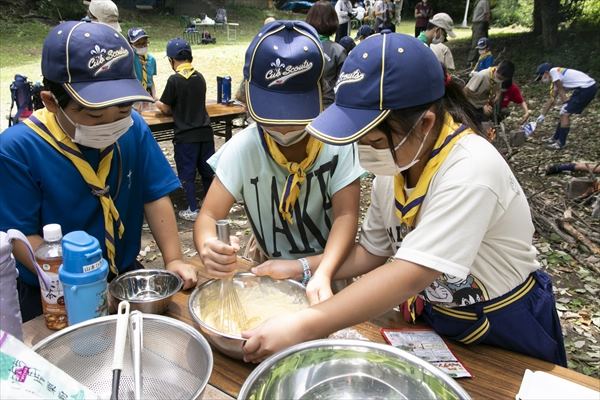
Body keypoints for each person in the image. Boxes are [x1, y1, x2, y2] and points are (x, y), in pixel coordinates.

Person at [241, 32, 567, 368]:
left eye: (373, 140)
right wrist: (303, 268)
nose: (363, 152)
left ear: (425, 123)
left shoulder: (472, 169)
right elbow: (372, 252)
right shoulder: (394, 170)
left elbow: (411, 274)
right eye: (358, 141)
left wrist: (304, 323)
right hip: (440, 318)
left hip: (507, 322)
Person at [0, 21, 198, 322]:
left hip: (124, 279)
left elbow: (154, 194)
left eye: (122, 109)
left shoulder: (134, 130)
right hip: (53, 293)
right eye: (94, 114)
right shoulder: (17, 149)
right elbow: (22, 237)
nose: (111, 125)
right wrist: (76, 283)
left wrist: (173, 259)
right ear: (52, 102)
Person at [194, 20, 363, 306]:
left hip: (330, 273)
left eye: (295, 118)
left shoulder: (338, 144)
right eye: (271, 118)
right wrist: (209, 246)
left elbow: (346, 216)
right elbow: (208, 217)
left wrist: (321, 271)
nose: (284, 129)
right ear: (248, 97)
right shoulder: (243, 149)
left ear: (319, 95)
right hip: (267, 276)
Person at [156, 39, 214, 222]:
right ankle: (212, 206)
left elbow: (165, 107)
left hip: (186, 136)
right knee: (206, 172)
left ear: (172, 60)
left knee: (187, 174)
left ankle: (192, 208)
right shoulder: (200, 77)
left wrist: (155, 101)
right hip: (205, 133)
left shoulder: (174, 80)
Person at [535, 63, 597, 150]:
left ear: (546, 72)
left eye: (542, 77)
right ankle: (555, 138)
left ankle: (561, 143)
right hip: (584, 88)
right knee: (563, 112)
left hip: (587, 88)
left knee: (565, 113)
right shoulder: (557, 78)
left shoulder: (553, 71)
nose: (542, 80)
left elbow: (561, 90)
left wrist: (565, 103)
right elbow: (552, 99)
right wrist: (542, 115)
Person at [307, 1, 348, 108]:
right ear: (333, 20)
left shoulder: (299, 47)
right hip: (328, 108)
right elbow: (343, 86)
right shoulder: (338, 51)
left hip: (301, 106)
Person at [127, 28, 157, 99]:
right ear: (130, 45)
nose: (142, 46)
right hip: (134, 94)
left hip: (148, 93)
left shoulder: (152, 60)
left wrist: (154, 95)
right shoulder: (130, 59)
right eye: (138, 44)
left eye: (144, 43)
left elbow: (151, 80)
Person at [468, 0, 490, 65]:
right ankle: (475, 60)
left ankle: (472, 60)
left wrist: (487, 24)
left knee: (478, 42)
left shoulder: (484, 1)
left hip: (480, 23)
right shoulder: (479, 1)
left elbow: (487, 14)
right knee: (477, 42)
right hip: (476, 23)